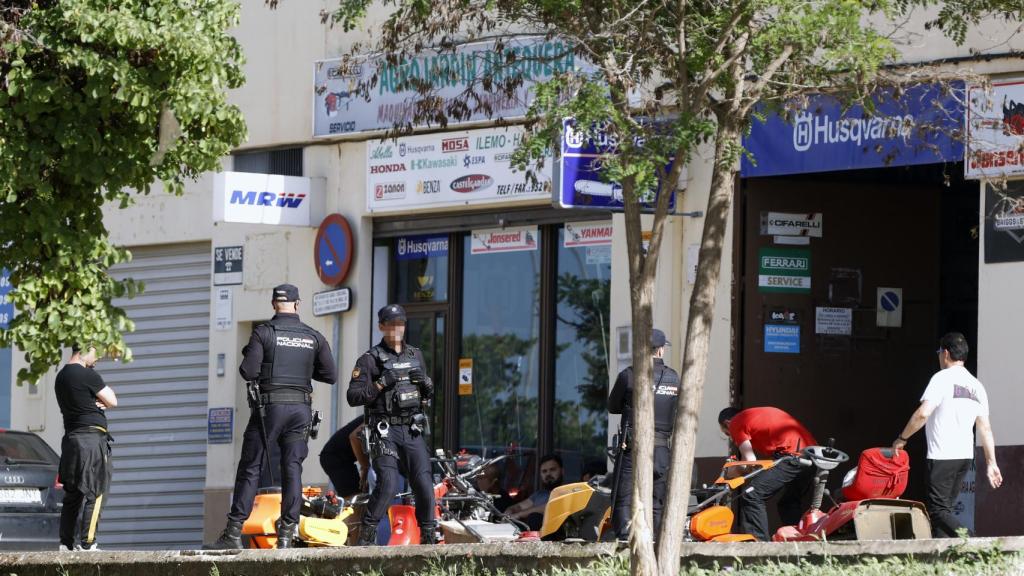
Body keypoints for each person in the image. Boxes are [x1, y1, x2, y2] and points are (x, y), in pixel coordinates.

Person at [206, 284, 337, 549]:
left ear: (273, 304)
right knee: (292, 469)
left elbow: (248, 371)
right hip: (300, 410)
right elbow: (330, 375)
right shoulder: (313, 337)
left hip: (269, 409)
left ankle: (232, 534)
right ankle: (287, 535)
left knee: (251, 467)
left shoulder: (263, 333)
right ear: (297, 305)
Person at [892, 332, 1002, 537]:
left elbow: (922, 414)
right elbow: (985, 428)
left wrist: (902, 439)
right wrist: (991, 463)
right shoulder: (977, 386)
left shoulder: (941, 379)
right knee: (946, 511)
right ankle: (946, 561)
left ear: (945, 353)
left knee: (938, 511)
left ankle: (971, 542)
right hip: (963, 458)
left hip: (942, 456)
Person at [347, 304, 437, 546]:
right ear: (381, 327)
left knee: (424, 482)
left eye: (401, 324)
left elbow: (425, 398)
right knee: (388, 483)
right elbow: (353, 397)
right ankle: (366, 536)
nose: (397, 329)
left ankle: (428, 538)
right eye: (391, 324)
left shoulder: (415, 355)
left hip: (411, 427)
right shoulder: (369, 359)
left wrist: (426, 384)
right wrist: (379, 385)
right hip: (384, 429)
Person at [607, 328, 680, 540]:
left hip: (633, 447)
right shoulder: (673, 378)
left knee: (625, 493)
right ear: (660, 351)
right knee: (657, 496)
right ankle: (656, 536)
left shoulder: (628, 376)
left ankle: (624, 537)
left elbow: (613, 406)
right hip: (661, 449)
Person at [718, 406, 817, 541]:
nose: (732, 438)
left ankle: (759, 546)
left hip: (792, 455)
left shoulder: (736, 422)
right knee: (788, 502)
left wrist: (732, 471)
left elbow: (750, 462)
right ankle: (797, 542)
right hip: (813, 455)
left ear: (728, 423)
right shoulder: (754, 416)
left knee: (751, 495)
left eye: (727, 434)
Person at [55, 345, 117, 552]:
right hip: (91, 440)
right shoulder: (86, 374)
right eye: (96, 353)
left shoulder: (61, 377)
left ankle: (65, 544)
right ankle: (88, 544)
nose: (97, 358)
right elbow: (112, 400)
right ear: (86, 348)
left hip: (71, 439)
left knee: (73, 493)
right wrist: (100, 401)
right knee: (96, 490)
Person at [506, 454, 564, 531]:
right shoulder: (538, 495)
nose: (548, 474)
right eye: (544, 471)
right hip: (531, 538)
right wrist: (509, 512)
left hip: (554, 537)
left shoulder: (567, 491)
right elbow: (519, 507)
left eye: (552, 470)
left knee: (535, 517)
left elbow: (550, 507)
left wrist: (518, 515)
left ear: (562, 471)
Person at [319, 416, 368, 500]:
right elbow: (355, 437)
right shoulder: (378, 414)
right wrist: (365, 467)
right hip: (335, 457)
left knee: (361, 499)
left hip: (343, 457)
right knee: (355, 501)